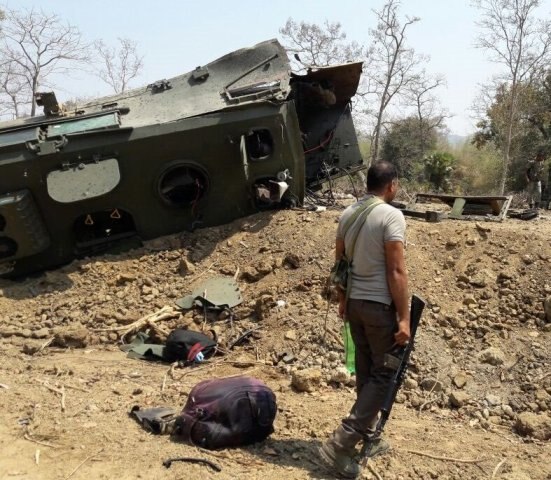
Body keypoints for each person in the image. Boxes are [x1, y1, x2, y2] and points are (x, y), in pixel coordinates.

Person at [319, 161, 409, 479]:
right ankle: (341, 443)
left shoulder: (347, 214)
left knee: (367, 371)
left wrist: (343, 302)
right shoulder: (391, 216)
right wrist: (404, 318)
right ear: (391, 185)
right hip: (379, 308)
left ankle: (367, 434)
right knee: (384, 376)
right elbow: (396, 271)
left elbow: (339, 263)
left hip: (355, 304)